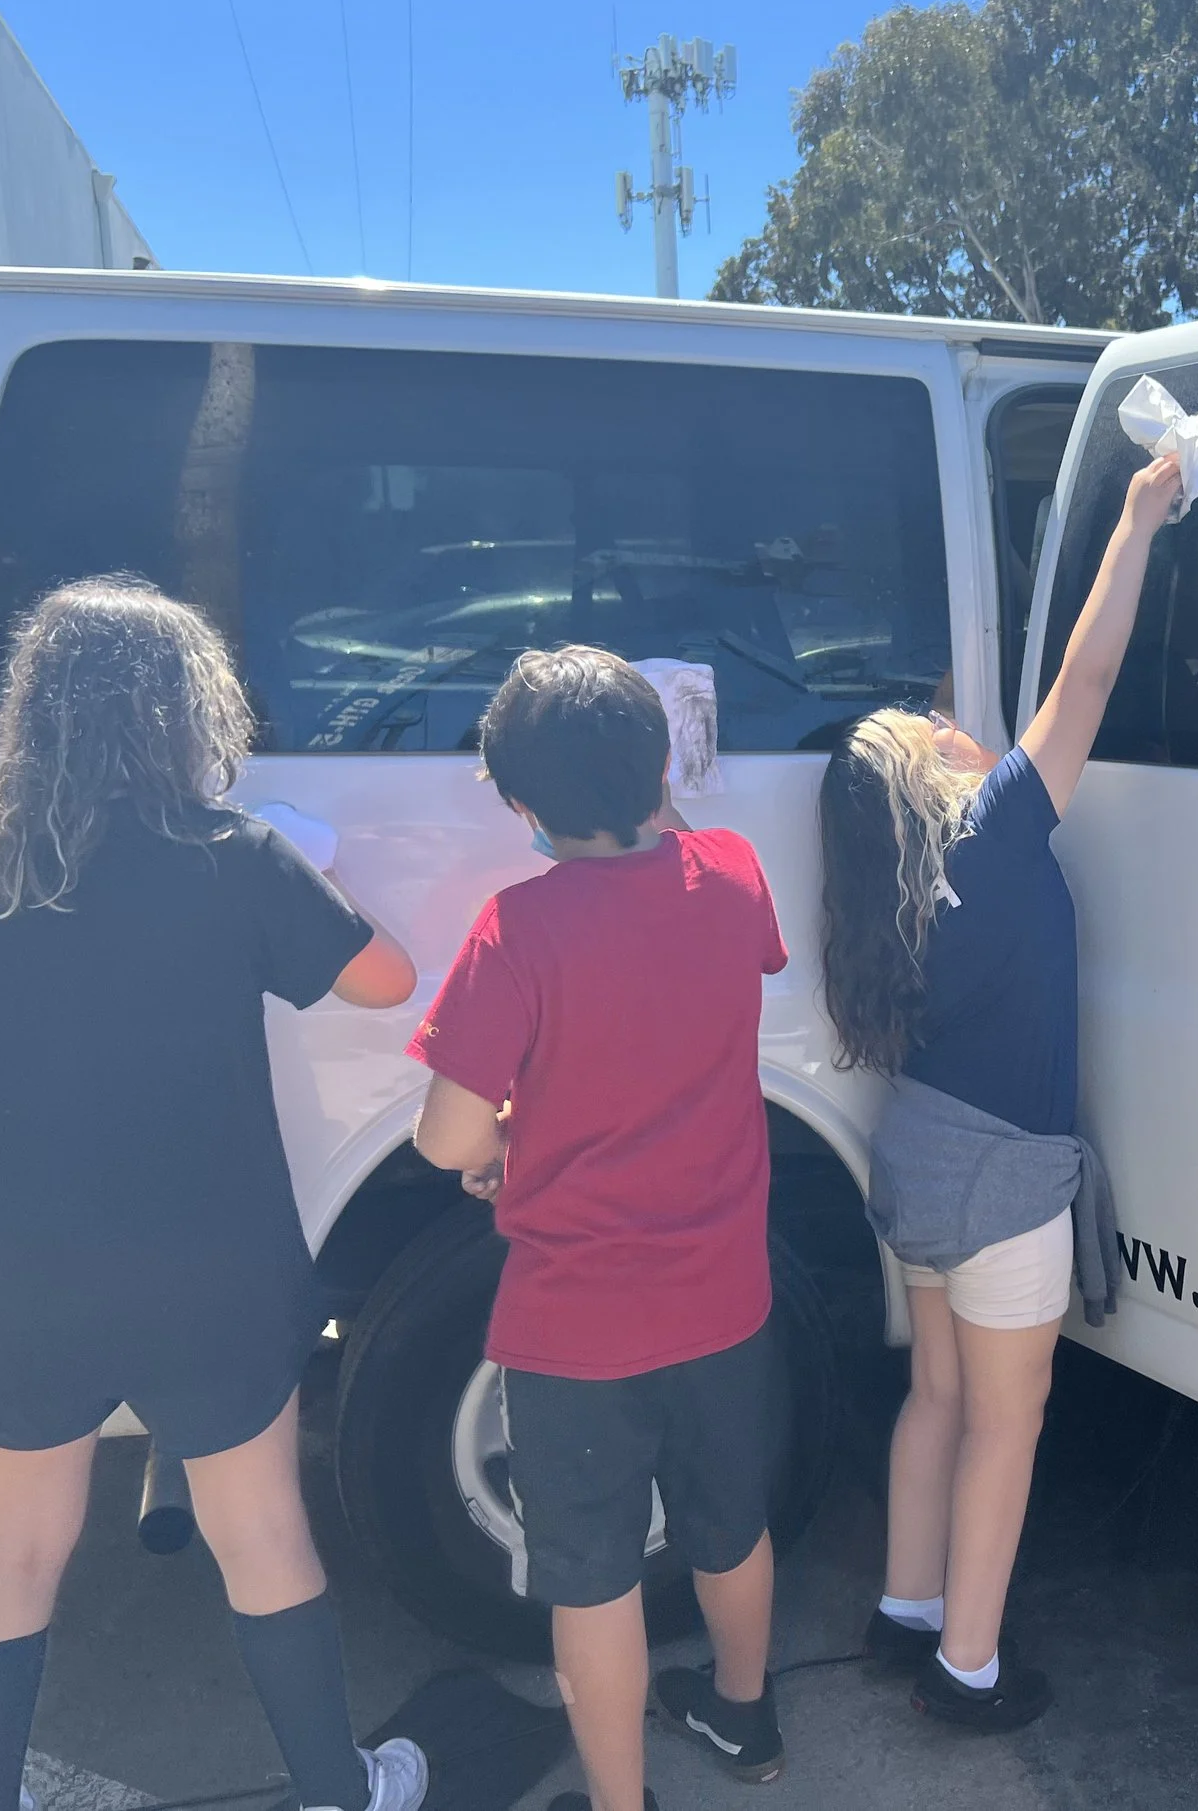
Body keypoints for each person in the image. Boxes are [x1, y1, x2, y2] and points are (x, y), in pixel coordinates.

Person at [0, 580, 426, 1811]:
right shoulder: (230, 854)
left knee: (9, 1555)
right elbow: (388, 980)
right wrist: (304, 854)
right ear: (183, 710)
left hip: (26, 1271)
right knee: (260, 1535)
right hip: (210, 1270)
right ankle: (339, 1790)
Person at [819, 453, 1182, 1730]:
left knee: (936, 1396)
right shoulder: (1001, 826)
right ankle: (969, 1670)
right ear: (932, 779)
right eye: (937, 726)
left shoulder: (888, 898)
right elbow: (1087, 672)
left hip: (916, 1158)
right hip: (1002, 1171)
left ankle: (903, 1609)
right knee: (1007, 1424)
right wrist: (1137, 520)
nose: (959, 721)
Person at [409, 648, 790, 1811]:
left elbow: (443, 1138)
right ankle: (743, 1714)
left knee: (592, 1578)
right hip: (727, 1293)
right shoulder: (730, 875)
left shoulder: (514, 930)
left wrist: (507, 1146)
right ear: (660, 763)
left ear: (520, 806)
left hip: (574, 1328)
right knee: (731, 1527)